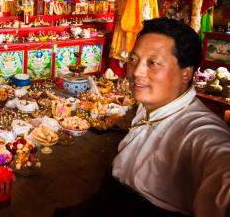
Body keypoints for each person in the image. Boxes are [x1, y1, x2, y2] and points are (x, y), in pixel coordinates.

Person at [55, 17, 230, 217]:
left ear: (186, 73)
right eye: (134, 59)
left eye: (153, 63)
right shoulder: (150, 105)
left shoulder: (200, 132)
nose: (136, 71)